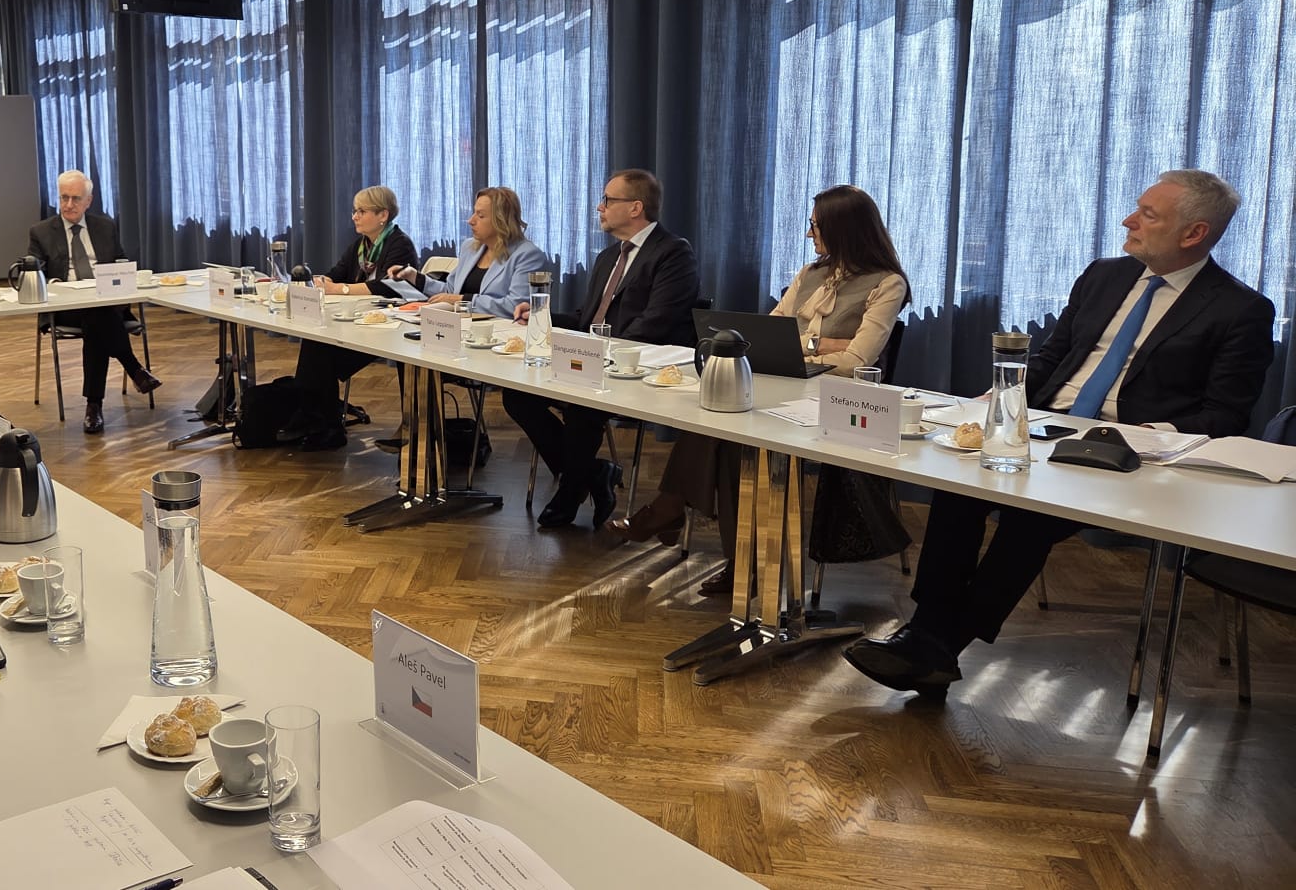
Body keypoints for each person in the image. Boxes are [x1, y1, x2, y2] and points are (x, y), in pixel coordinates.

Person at [843, 170, 1274, 696]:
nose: (1129, 221)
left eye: (1148, 215)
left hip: (1124, 453)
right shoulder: (1103, 276)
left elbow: (1225, 416)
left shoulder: (1241, 310)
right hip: (1045, 425)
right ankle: (931, 635)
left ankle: (935, 642)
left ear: (1194, 234)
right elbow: (1052, 358)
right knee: (959, 489)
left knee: (1030, 514)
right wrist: (999, 399)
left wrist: (1146, 436)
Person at [610, 184, 907, 592]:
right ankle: (738, 561)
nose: (809, 234)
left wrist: (806, 345)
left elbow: (857, 361)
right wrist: (822, 345)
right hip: (783, 388)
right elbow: (768, 335)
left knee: (735, 434)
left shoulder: (888, 284)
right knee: (721, 419)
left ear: (844, 229)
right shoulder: (809, 274)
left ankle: (678, 516)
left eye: (816, 225)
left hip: (837, 403)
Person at [499, 170, 700, 529]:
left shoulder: (673, 253)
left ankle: (571, 489)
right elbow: (586, 318)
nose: (599, 207)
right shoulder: (609, 256)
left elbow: (657, 323)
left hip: (640, 367)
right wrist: (542, 316)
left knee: (582, 402)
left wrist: (600, 353)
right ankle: (593, 473)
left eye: (608, 200)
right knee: (517, 394)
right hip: (593, 361)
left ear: (635, 207)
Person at [275, 186, 420, 450]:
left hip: (390, 329)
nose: (354, 217)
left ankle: (319, 423)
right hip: (357, 323)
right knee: (315, 341)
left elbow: (388, 288)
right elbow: (337, 273)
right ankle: (320, 423)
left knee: (321, 354)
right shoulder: (361, 245)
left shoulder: (400, 245)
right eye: (354, 211)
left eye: (362, 211)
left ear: (383, 215)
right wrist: (321, 281)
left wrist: (339, 289)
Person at [26, 170, 162, 434]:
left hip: (107, 304)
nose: (68, 204)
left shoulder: (105, 227)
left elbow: (121, 262)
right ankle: (133, 370)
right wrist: (56, 285)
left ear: (89, 201)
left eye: (76, 198)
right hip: (65, 308)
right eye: (64, 197)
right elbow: (34, 272)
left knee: (97, 319)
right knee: (97, 317)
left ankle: (95, 405)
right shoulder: (40, 232)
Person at [387, 186, 552, 318]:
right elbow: (450, 292)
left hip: (498, 334)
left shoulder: (527, 255)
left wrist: (463, 300)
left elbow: (515, 306)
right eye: (474, 213)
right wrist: (415, 277)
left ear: (501, 221)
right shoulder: (470, 247)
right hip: (459, 327)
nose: (471, 220)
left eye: (480, 216)